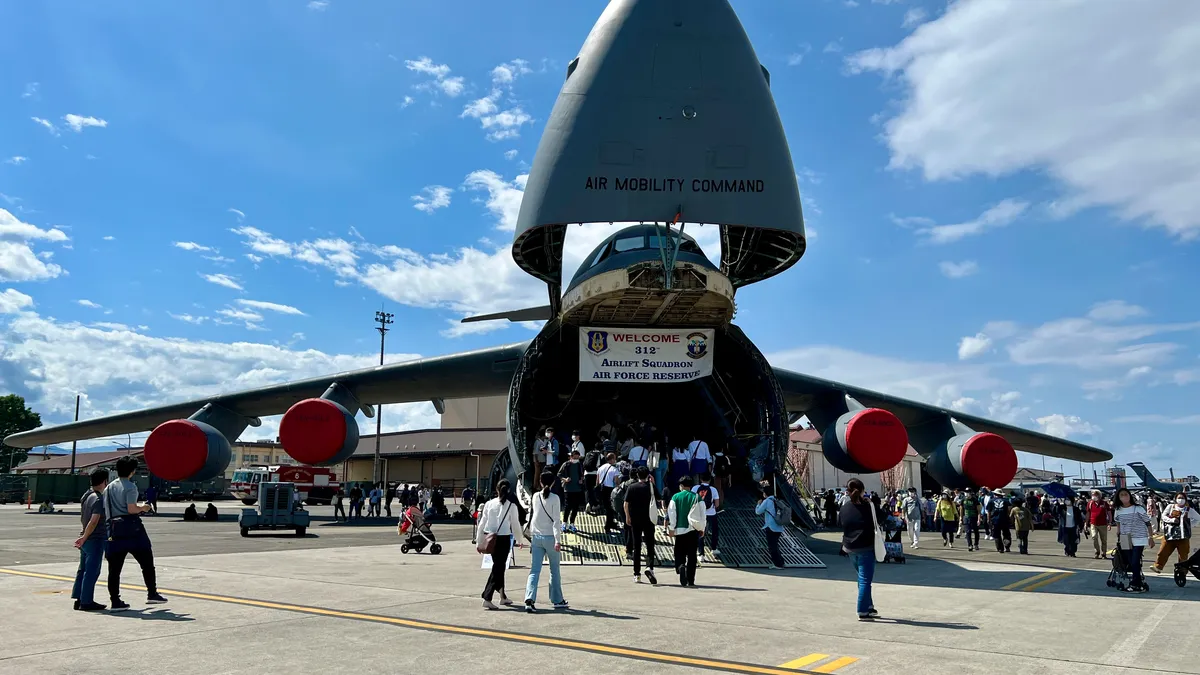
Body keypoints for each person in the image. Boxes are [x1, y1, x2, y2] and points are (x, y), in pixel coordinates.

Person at [104, 456, 168, 611]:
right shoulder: (130, 487)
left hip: (113, 529)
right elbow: (131, 509)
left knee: (114, 569)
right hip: (132, 529)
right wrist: (144, 508)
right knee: (146, 562)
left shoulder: (108, 488)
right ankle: (152, 593)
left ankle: (115, 600)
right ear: (132, 471)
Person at [478, 479, 527, 610]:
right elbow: (516, 526)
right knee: (498, 568)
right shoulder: (512, 506)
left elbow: (482, 523)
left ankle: (502, 596)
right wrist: (520, 540)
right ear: (509, 490)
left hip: (490, 538)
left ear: (497, 489)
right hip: (504, 539)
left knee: (498, 566)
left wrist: (479, 541)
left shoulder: (489, 504)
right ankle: (487, 597)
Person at [524, 471, 568, 612]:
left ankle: (529, 599)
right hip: (550, 538)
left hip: (536, 537)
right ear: (554, 482)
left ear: (541, 482)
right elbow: (556, 521)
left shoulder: (535, 496)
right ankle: (557, 600)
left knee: (534, 570)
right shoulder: (555, 498)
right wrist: (558, 540)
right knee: (554, 570)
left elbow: (533, 517)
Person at [838, 478, 880, 621]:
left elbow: (841, 524)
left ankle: (869, 605)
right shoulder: (868, 507)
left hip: (849, 548)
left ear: (848, 492)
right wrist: (872, 504)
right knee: (865, 581)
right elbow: (880, 519)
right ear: (862, 491)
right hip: (866, 548)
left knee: (861, 579)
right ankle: (862, 610)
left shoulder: (844, 508)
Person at [71, 469, 110, 612]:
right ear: (104, 481)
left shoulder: (86, 495)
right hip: (94, 538)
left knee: (82, 570)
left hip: (85, 538)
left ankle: (79, 598)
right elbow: (94, 521)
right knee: (92, 571)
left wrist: (83, 537)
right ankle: (86, 601)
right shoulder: (99, 499)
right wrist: (85, 537)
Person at [1113, 487, 1153, 592]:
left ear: (1129, 495)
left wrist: (1151, 537)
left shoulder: (1138, 508)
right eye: (1121, 495)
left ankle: (1136, 583)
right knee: (1130, 562)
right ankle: (1137, 582)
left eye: (1126, 494)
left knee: (1135, 561)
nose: (1124, 497)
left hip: (1139, 537)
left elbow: (1148, 523)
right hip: (1125, 538)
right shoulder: (1118, 510)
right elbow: (1117, 521)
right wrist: (1118, 530)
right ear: (1118, 497)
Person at [667, 475, 705, 587]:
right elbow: (703, 515)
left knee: (679, 552)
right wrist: (702, 528)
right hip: (693, 530)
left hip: (679, 530)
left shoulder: (675, 497)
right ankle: (691, 579)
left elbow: (672, 514)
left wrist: (671, 528)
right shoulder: (697, 497)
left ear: (681, 486)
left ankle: (680, 566)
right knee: (692, 555)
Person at [624, 466, 659, 585]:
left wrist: (628, 517)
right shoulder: (651, 486)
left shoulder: (631, 487)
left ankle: (637, 574)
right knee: (650, 545)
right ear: (648, 475)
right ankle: (650, 568)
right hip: (649, 519)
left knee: (637, 546)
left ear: (637, 476)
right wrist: (652, 484)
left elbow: (626, 504)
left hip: (635, 520)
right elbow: (658, 499)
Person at [1153, 492, 1198, 574]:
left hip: (1183, 537)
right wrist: (1172, 520)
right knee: (1163, 551)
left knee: (1183, 555)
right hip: (1170, 534)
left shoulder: (1189, 510)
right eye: (1179, 498)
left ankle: (1182, 572)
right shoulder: (1171, 507)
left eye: (1182, 498)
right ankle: (1158, 566)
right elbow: (1163, 516)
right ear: (1175, 499)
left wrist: (1189, 525)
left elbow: (1198, 518)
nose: (1180, 500)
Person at [755, 481, 787, 569]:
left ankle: (778, 564)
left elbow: (758, 512)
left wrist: (758, 504)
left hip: (771, 527)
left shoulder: (767, 501)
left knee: (772, 547)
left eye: (764, 493)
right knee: (775, 545)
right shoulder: (776, 500)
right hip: (779, 526)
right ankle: (781, 562)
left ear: (766, 493)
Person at [692, 472, 721, 557]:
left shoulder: (695, 488)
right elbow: (717, 504)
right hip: (711, 514)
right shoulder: (713, 489)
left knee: (701, 532)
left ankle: (701, 554)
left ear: (701, 479)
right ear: (710, 480)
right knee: (714, 531)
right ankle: (714, 549)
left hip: (700, 513)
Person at [557, 449, 586, 532]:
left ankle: (572, 523)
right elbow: (559, 474)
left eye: (578, 458)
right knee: (567, 506)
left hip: (577, 488)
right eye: (575, 457)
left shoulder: (579, 465)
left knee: (575, 507)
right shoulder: (566, 464)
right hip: (568, 489)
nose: (576, 459)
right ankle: (564, 523)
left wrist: (581, 480)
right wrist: (565, 479)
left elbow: (582, 475)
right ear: (571, 457)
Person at [597, 453, 621, 531]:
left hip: (601, 489)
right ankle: (607, 526)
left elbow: (597, 481)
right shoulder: (614, 470)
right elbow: (616, 482)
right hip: (610, 490)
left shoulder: (601, 467)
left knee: (607, 508)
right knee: (610, 509)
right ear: (612, 459)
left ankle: (611, 523)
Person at [1087, 490, 1111, 560]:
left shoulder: (1104, 503)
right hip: (1093, 523)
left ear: (1099, 496)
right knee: (1094, 537)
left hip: (1103, 524)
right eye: (1092, 495)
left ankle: (1104, 553)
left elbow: (1109, 513)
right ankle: (1097, 552)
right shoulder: (1090, 503)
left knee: (1104, 540)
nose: (1093, 496)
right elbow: (1088, 513)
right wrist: (1086, 522)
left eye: (1095, 495)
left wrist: (1109, 522)